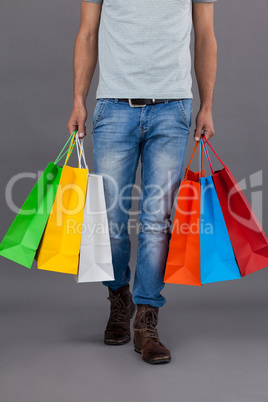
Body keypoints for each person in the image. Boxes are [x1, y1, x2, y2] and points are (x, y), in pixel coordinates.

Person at [67, 0, 217, 365]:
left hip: (172, 108)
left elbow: (205, 35)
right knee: (112, 223)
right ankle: (120, 298)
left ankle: (146, 319)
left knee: (156, 224)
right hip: (113, 107)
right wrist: (78, 100)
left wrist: (207, 105)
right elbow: (87, 33)